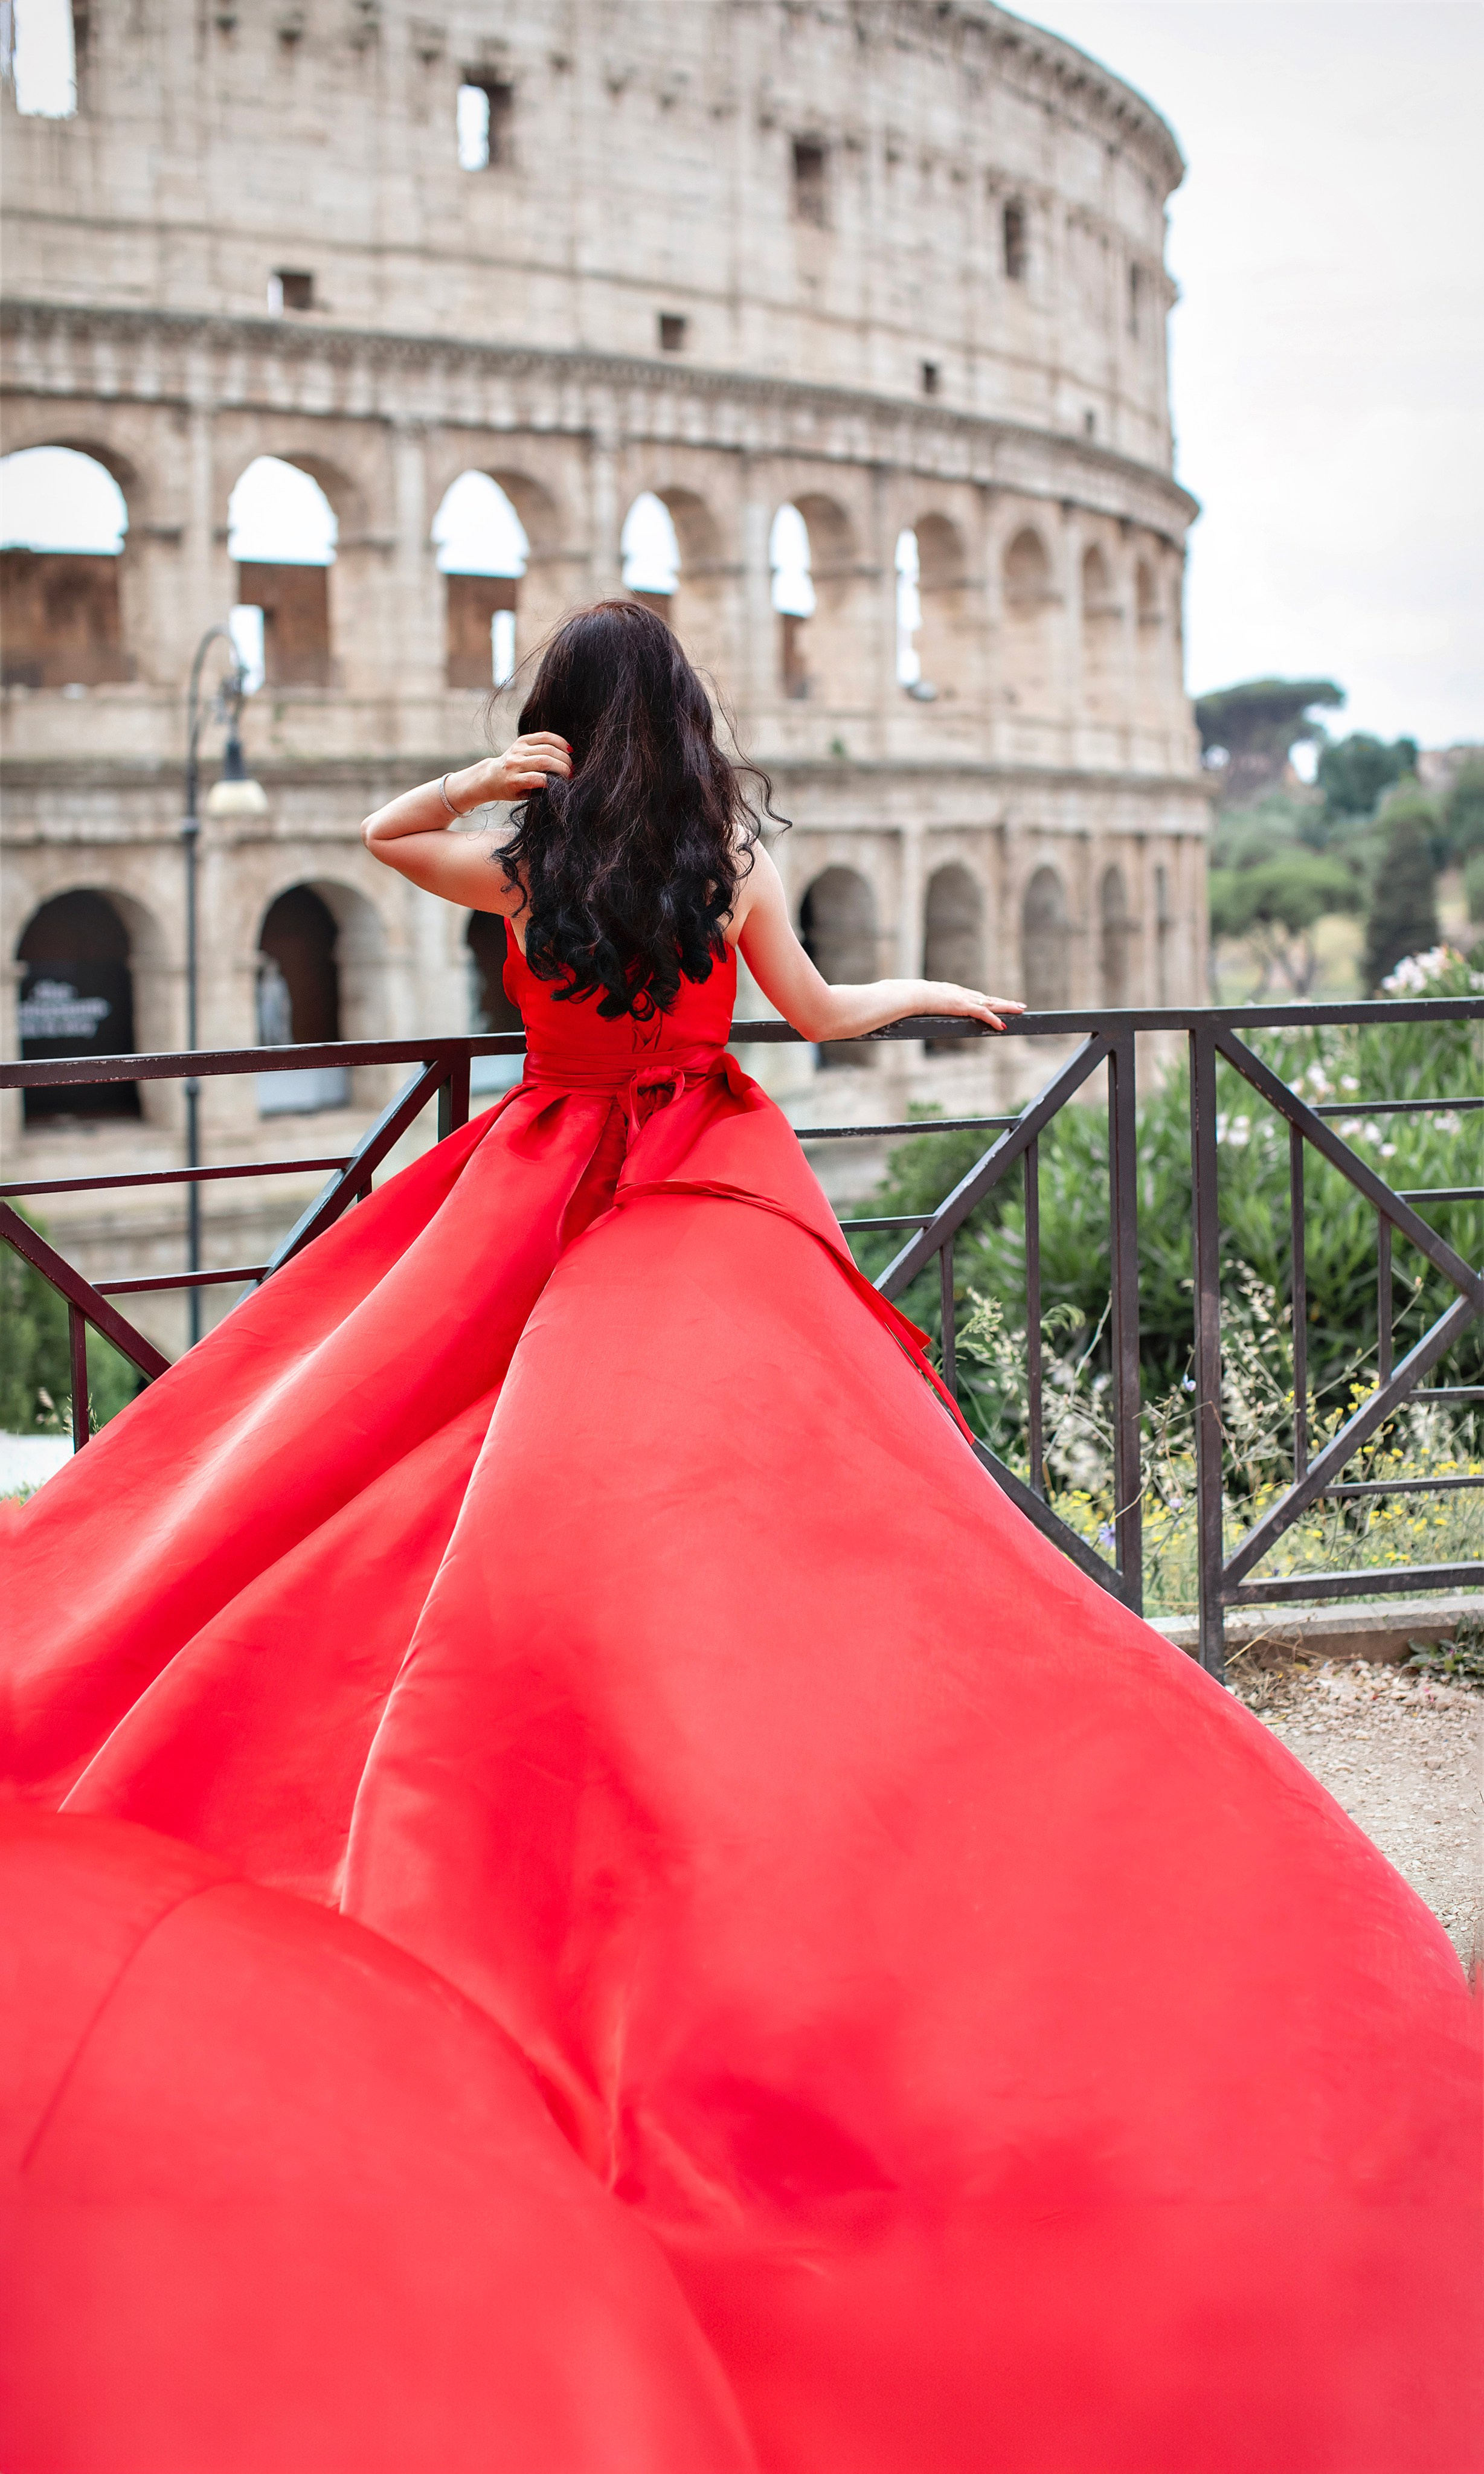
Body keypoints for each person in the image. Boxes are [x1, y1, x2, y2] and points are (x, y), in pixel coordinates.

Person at [2, 602, 1479, 2473]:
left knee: (384, 1471)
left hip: (531, 1179)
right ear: (690, 720)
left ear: (556, 726)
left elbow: (387, 839)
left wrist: (493, 777)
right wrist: (920, 1008)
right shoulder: (727, 856)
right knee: (728, 1500)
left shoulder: (532, 863)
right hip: (688, 1186)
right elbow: (812, 1018)